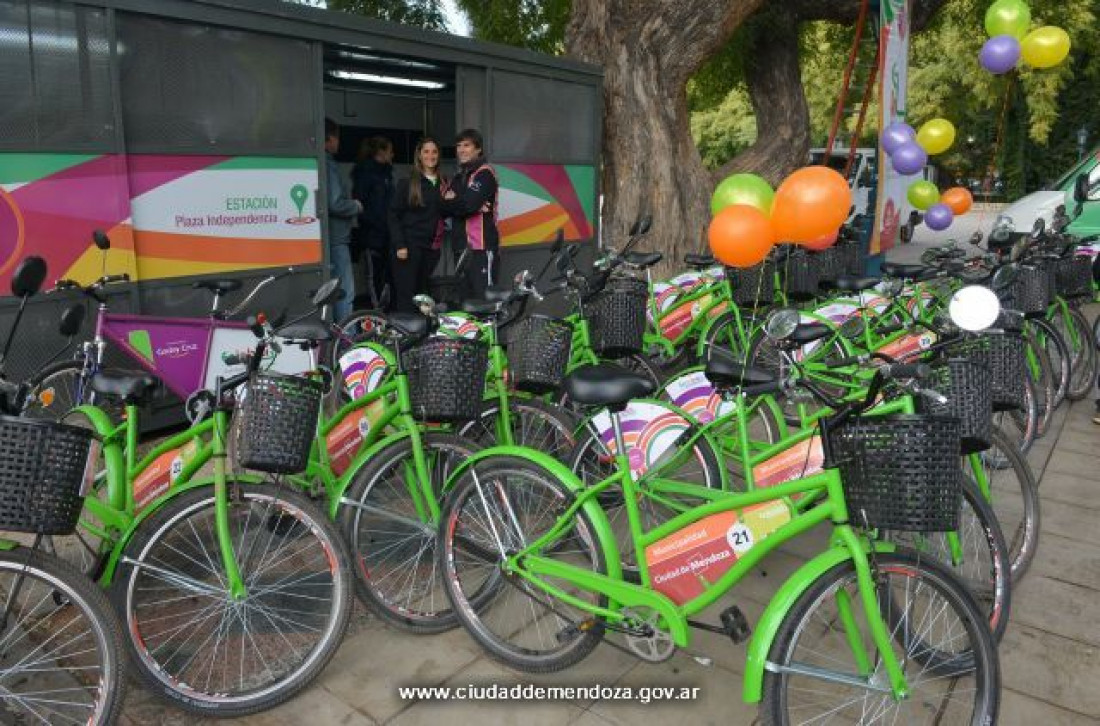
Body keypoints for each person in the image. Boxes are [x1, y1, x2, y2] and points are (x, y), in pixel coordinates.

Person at [388, 137, 448, 313]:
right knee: (407, 295)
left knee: (422, 296)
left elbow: (452, 207)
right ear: (419, 155)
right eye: (426, 151)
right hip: (408, 247)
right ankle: (405, 335)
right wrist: (400, 244)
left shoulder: (443, 182)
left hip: (430, 249)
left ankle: (421, 336)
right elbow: (392, 214)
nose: (431, 155)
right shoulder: (408, 181)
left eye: (434, 151)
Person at [440, 128, 500, 299]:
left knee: (484, 301)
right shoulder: (460, 177)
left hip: (481, 248)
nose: (461, 150)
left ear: (478, 148)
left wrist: (457, 201)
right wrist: (462, 201)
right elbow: (443, 207)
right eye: (459, 146)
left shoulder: (485, 173)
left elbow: (468, 205)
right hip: (460, 248)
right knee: (466, 302)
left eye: (466, 145)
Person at [324, 117, 361, 321]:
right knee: (344, 291)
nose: (338, 143)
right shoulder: (329, 164)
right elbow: (335, 203)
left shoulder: (318, 162)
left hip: (327, 238)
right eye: (337, 138)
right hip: (337, 238)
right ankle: (348, 339)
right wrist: (355, 206)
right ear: (329, 139)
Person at [352, 136, 395, 309]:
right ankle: (376, 318)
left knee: (386, 278)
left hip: (387, 236)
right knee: (374, 279)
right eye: (390, 151)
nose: (393, 154)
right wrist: (377, 225)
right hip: (372, 236)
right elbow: (360, 207)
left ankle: (386, 315)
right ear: (381, 152)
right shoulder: (365, 174)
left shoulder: (387, 174)